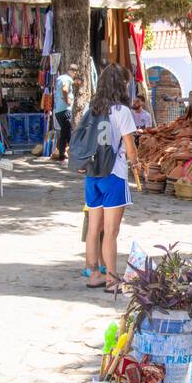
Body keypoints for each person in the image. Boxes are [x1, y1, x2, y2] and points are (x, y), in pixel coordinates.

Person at [80, 63, 138, 291]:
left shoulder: (90, 107)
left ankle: (94, 274)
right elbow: (130, 148)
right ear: (121, 85)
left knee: (94, 229)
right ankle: (113, 279)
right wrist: (136, 163)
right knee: (112, 232)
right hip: (114, 174)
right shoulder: (122, 112)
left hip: (92, 174)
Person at [52, 63, 76, 163]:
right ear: (74, 72)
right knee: (68, 133)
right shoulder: (67, 79)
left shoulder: (60, 78)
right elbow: (65, 89)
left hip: (58, 110)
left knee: (64, 132)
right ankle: (71, 154)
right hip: (65, 110)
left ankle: (62, 154)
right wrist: (67, 100)